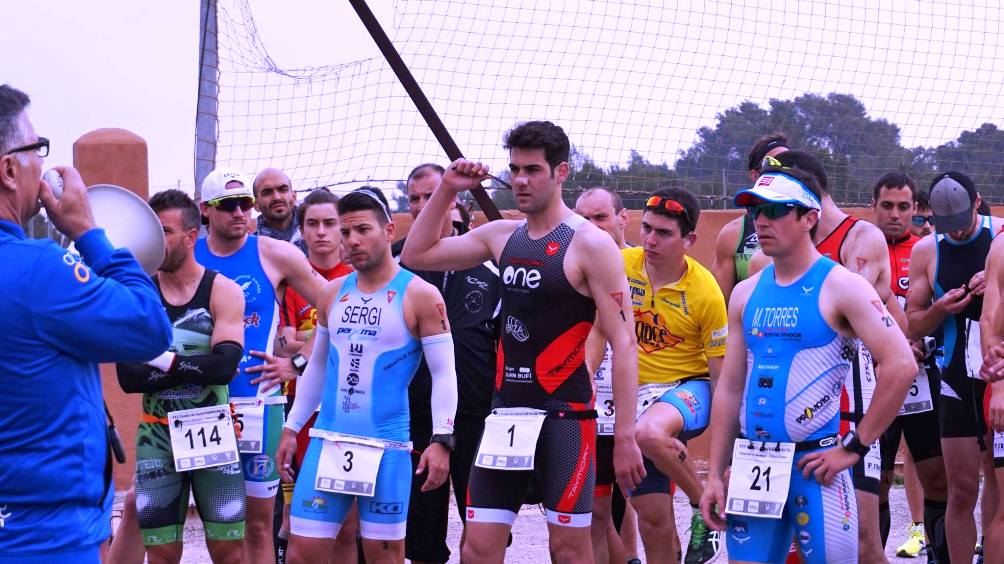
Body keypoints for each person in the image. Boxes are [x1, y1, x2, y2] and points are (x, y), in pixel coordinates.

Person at [400, 121, 649, 563]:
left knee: (569, 551)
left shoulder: (590, 244)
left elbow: (624, 343)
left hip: (565, 418)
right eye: (514, 169)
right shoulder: (502, 236)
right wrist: (448, 188)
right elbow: (416, 254)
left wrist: (626, 435)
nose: (520, 180)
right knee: (478, 549)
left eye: (532, 170)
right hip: (506, 416)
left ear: (560, 172)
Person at [699, 166, 916, 563]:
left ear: (809, 218)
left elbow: (902, 365)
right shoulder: (746, 293)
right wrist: (715, 472)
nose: (761, 221)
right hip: (754, 463)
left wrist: (855, 446)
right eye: (755, 211)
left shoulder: (843, 286)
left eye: (775, 210)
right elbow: (730, 387)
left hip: (817, 465)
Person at [0, 84, 173, 562]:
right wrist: (87, 231)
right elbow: (149, 327)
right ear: (9, 170)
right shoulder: (39, 270)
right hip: (43, 536)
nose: (41, 164)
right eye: (36, 148)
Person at [276, 187, 457, 564]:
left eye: (362, 230)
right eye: (346, 232)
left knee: (384, 558)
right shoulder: (331, 293)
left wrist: (442, 439)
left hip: (386, 446)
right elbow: (318, 366)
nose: (352, 240)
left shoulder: (421, 295)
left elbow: (444, 373)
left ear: (389, 231)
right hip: (329, 440)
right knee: (301, 554)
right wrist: (292, 428)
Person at [589, 186, 727, 564]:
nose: (650, 240)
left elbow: (721, 376)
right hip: (634, 395)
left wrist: (723, 459)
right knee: (653, 521)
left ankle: (705, 505)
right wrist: (586, 376)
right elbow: (599, 329)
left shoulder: (705, 292)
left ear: (689, 240)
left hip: (690, 387)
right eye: (647, 228)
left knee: (649, 433)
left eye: (664, 233)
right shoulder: (621, 265)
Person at [194, 167, 324, 564]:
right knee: (219, 526)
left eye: (245, 204)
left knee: (258, 526)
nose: (239, 213)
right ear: (205, 209)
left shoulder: (274, 254)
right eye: (227, 205)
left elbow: (337, 307)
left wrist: (298, 362)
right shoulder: (186, 254)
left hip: (258, 407)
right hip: (199, 407)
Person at [114, 190, 247, 563]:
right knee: (160, 554)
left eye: (165, 231)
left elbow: (223, 368)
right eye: (152, 231)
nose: (156, 240)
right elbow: (129, 377)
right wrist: (194, 367)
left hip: (211, 430)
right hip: (156, 436)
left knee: (230, 552)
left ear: (191, 237)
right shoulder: (139, 294)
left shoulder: (223, 290)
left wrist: (161, 362)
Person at [393, 163, 501, 564]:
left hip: (478, 414)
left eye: (431, 194)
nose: (423, 204)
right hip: (416, 414)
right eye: (415, 198)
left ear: (454, 199)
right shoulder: (397, 264)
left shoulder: (491, 264)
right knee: (422, 537)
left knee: (482, 531)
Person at [906, 171, 1004, 564]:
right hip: (957, 376)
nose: (958, 232)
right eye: (948, 226)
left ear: (977, 203)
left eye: (962, 222)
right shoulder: (926, 250)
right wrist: (940, 308)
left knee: (997, 480)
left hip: (997, 372)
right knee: (960, 490)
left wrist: (993, 276)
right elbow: (912, 324)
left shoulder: (999, 237)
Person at [271, 188, 357, 564]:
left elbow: (351, 340)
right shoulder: (289, 281)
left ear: (342, 228)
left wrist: (303, 343)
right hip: (300, 408)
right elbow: (282, 344)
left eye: (330, 223)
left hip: (347, 406)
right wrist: (324, 337)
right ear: (301, 230)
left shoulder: (357, 278)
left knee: (347, 528)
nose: (321, 231)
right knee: (297, 521)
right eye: (312, 223)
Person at [870, 172, 949, 561]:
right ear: (873, 206)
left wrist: (922, 343)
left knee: (937, 476)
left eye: (904, 207)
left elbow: (944, 311)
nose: (895, 214)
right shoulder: (861, 250)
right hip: (874, 380)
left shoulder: (928, 251)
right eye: (887, 206)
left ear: (915, 209)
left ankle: (938, 555)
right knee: (877, 483)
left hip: (923, 377)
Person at [574, 187, 646, 564]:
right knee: (597, 513)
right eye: (583, 219)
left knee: (639, 503)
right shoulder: (570, 266)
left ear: (623, 218)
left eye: (600, 217)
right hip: (590, 400)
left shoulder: (643, 265)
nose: (591, 226)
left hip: (639, 398)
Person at [711, 133, 789, 303]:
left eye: (788, 164)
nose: (783, 170)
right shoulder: (732, 234)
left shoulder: (808, 222)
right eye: (773, 164)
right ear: (755, 175)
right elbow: (721, 306)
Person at [253, 168, 306, 254]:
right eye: (267, 192)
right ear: (256, 204)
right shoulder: (252, 249)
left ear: (294, 197)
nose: (277, 197)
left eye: (282, 189)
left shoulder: (317, 236)